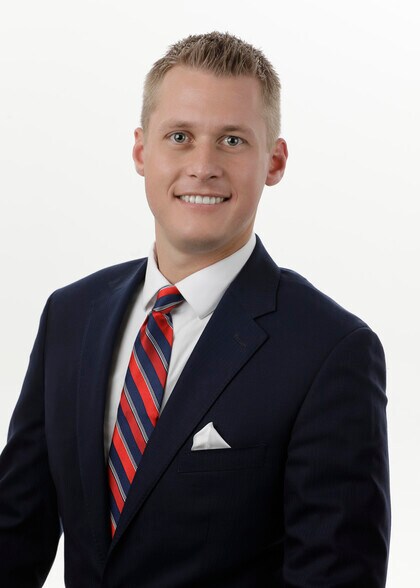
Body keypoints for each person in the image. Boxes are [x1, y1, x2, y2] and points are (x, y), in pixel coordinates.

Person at [0, 32, 390, 587]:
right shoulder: (71, 315)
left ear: (274, 161)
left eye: (232, 140)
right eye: (179, 136)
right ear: (142, 152)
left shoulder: (330, 352)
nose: (203, 165)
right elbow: (16, 530)